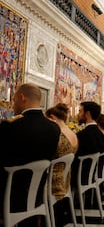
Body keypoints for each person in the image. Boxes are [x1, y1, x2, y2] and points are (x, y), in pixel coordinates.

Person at [0, 83, 60, 219]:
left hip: (9, 196)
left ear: (22, 98)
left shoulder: (10, 127)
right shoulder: (54, 128)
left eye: (14, 100)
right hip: (37, 195)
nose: (13, 105)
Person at [45, 103, 78, 227]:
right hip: (65, 178)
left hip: (52, 181)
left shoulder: (58, 134)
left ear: (52, 117)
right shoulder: (72, 133)